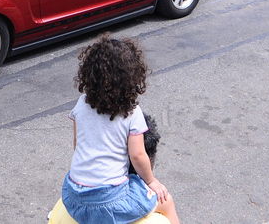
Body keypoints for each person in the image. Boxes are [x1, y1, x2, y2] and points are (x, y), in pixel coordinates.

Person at [57, 35, 180, 224]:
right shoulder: (132, 113)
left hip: (73, 196)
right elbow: (137, 155)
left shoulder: (81, 104)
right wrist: (151, 181)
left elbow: (78, 143)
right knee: (166, 202)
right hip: (109, 202)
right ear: (133, 78)